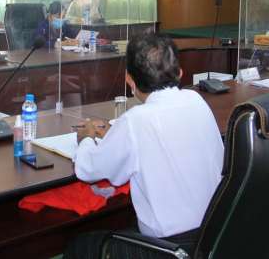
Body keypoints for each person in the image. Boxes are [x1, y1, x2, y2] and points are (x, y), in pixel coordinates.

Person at [65, 34, 224, 258]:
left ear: (129, 80)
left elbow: (88, 170)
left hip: (170, 249)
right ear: (180, 73)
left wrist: (86, 138)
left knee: (81, 245)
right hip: (216, 234)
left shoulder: (136, 120)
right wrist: (116, 136)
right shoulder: (196, 100)